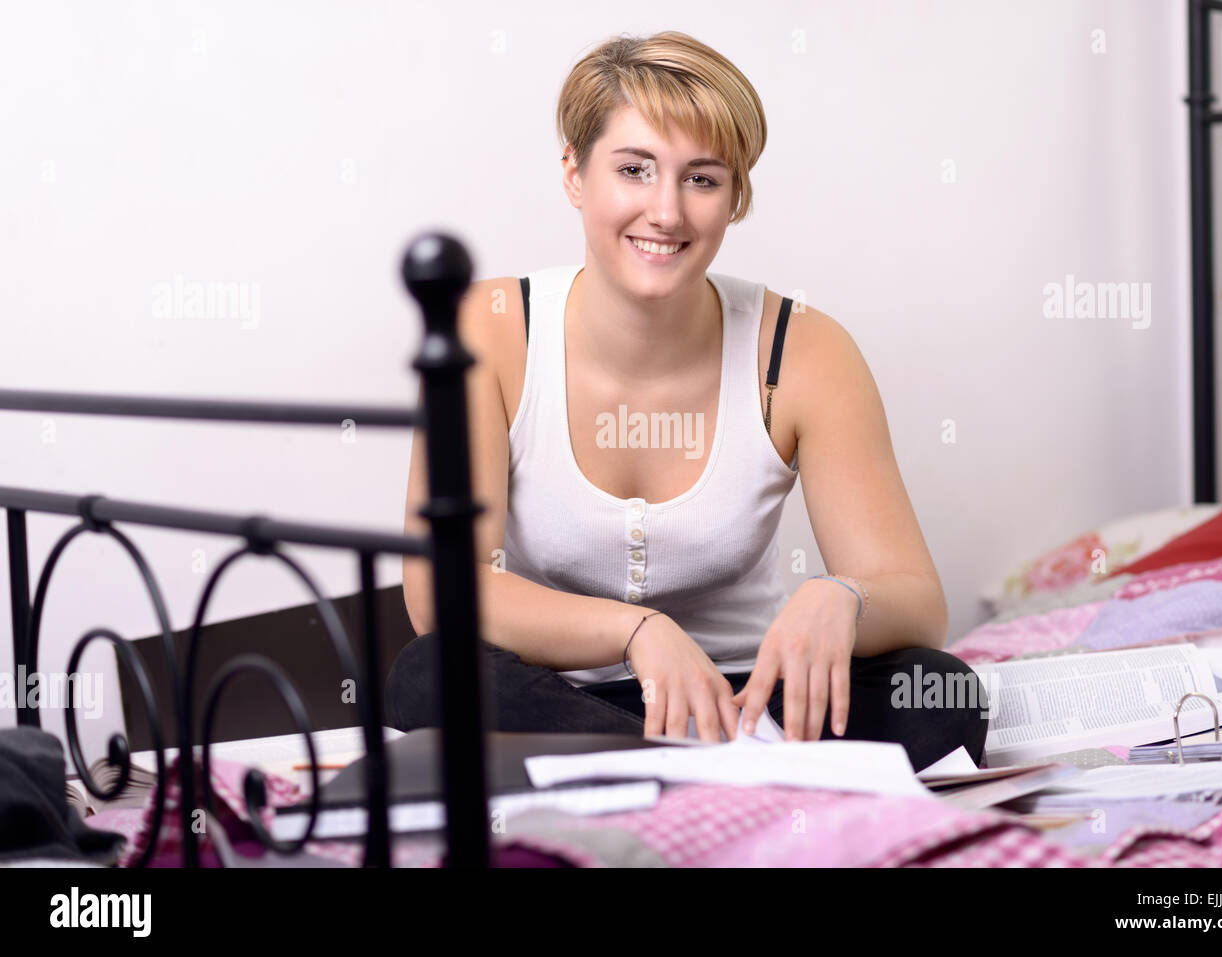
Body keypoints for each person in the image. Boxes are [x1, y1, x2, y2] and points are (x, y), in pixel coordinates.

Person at [386, 30, 989, 772]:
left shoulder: (803, 349)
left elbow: (916, 599)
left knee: (942, 690)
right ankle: (702, 775)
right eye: (635, 169)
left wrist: (843, 597)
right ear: (574, 173)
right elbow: (442, 591)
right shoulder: (491, 328)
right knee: (430, 672)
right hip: (557, 694)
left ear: (735, 198)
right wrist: (636, 631)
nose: (666, 212)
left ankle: (666, 775)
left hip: (745, 702)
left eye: (702, 179)